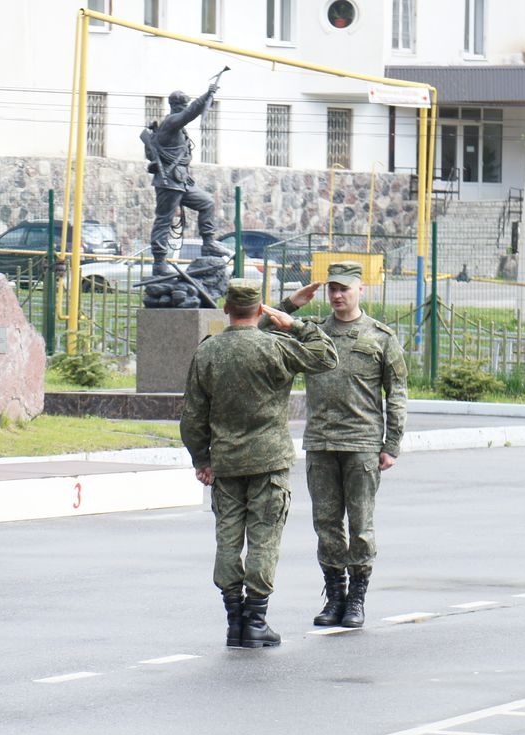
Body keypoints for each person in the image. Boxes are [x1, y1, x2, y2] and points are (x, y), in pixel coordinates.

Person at [181, 279, 337, 649]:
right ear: (261, 309)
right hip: (269, 463)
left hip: (226, 464)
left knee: (228, 540)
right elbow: (326, 356)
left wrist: (201, 458)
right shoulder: (277, 347)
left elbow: (191, 416)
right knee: (265, 540)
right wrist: (294, 323)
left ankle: (234, 620)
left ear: (225, 309)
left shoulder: (208, 353)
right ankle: (256, 619)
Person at [279, 260, 408, 629]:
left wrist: (391, 444)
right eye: (332, 289)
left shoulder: (381, 337)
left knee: (361, 525)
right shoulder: (313, 332)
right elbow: (257, 328)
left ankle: (357, 599)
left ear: (360, 290)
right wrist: (292, 303)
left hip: (362, 442)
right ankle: (334, 595)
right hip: (321, 442)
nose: (337, 295)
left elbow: (396, 393)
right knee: (326, 524)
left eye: (344, 289)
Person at [140, 87, 230, 275]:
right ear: (179, 106)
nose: (186, 108)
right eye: (185, 105)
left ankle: (208, 244)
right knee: (164, 221)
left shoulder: (176, 126)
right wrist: (207, 95)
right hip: (168, 182)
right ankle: (159, 263)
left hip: (181, 181)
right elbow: (190, 113)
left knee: (207, 203)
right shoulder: (172, 122)